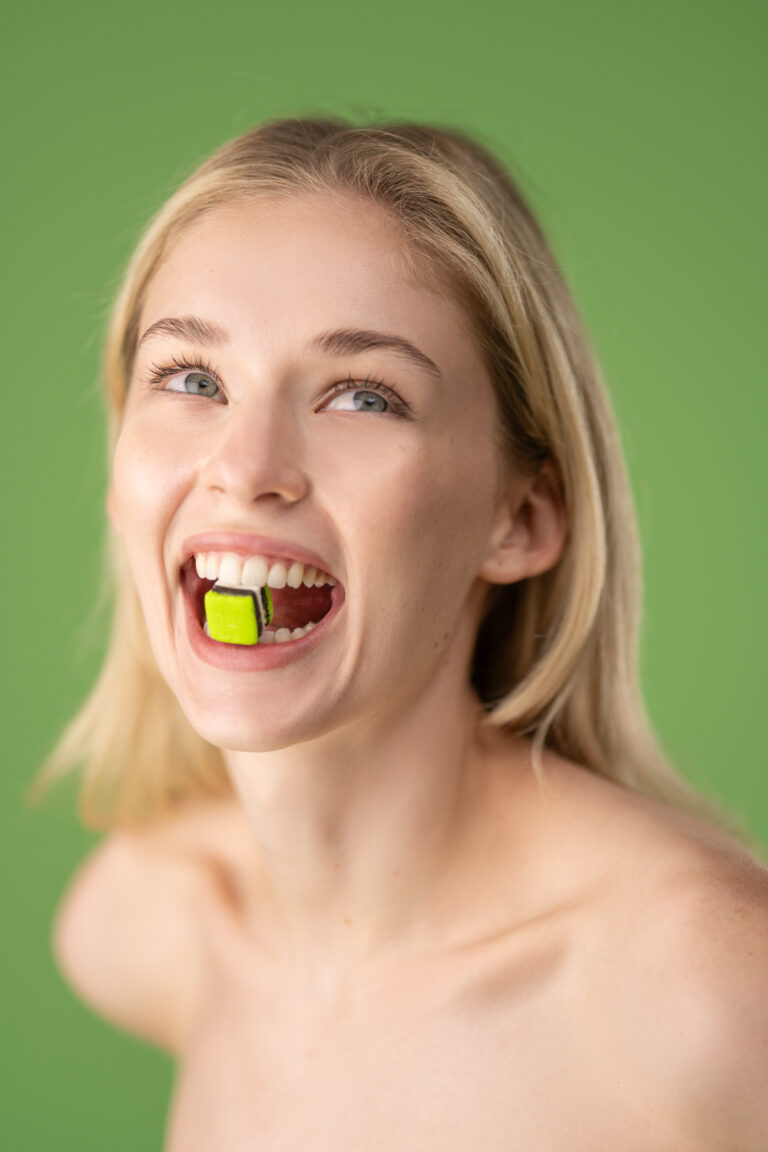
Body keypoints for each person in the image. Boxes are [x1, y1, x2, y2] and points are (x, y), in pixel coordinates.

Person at [29, 116, 768, 1149]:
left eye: (363, 396)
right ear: (122, 471)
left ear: (521, 519)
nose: (246, 468)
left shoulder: (708, 990)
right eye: (192, 379)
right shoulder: (145, 923)